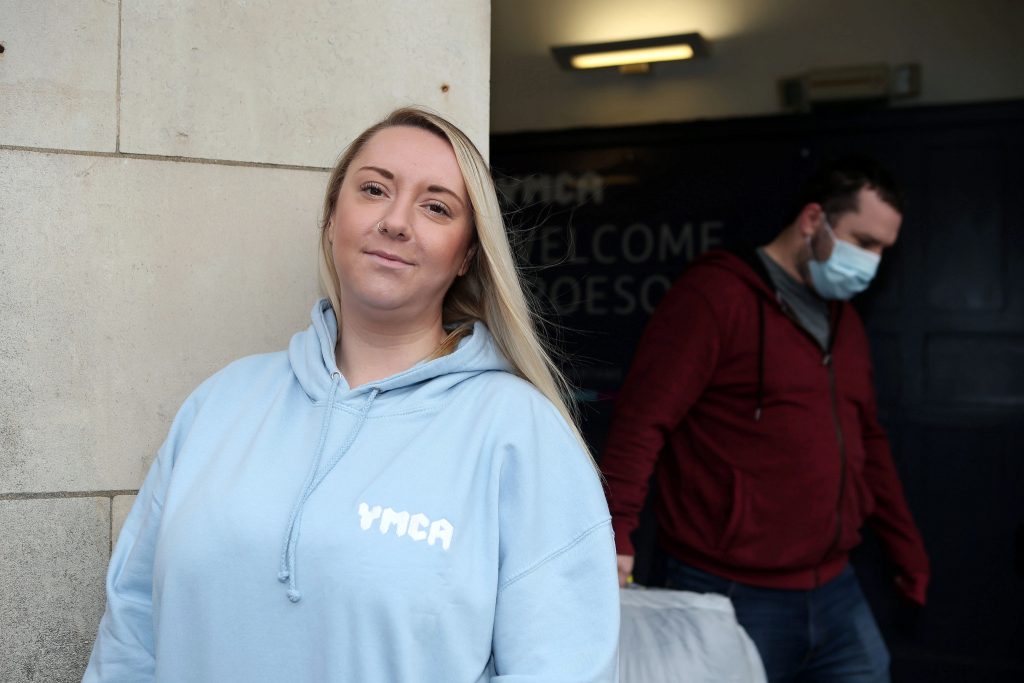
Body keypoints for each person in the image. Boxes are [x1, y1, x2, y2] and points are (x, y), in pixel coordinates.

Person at [84, 107, 620, 682]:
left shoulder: (519, 434)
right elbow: (131, 635)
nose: (396, 222)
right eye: (373, 190)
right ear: (331, 217)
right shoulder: (222, 404)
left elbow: (566, 666)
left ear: (467, 254)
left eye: (436, 207)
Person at [600, 158, 929, 683]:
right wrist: (615, 535)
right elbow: (643, 421)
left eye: (884, 251)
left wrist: (906, 550)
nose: (872, 263)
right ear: (812, 220)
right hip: (729, 589)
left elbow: (867, 439)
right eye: (863, 242)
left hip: (836, 587)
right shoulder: (714, 296)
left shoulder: (844, 321)